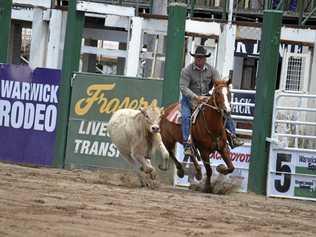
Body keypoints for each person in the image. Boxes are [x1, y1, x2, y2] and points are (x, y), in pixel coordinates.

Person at [180, 46, 243, 156]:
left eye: (202, 58)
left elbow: (219, 83)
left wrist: (219, 89)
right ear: (195, 58)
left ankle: (233, 136)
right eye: (197, 57)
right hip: (189, 99)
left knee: (224, 111)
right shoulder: (187, 71)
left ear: (205, 59)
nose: (199, 59)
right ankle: (187, 145)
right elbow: (183, 87)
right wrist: (196, 97)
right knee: (186, 117)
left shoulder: (212, 70)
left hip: (205, 98)